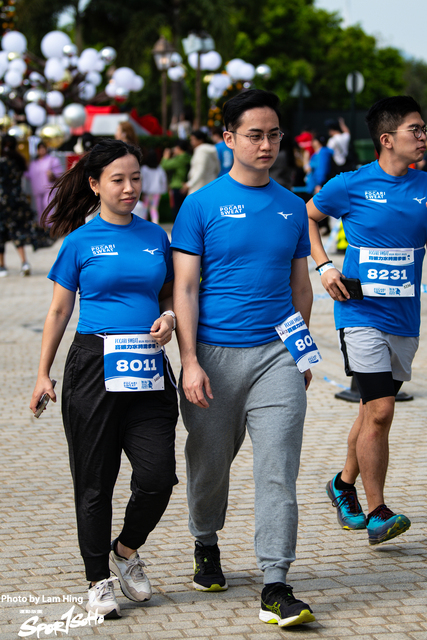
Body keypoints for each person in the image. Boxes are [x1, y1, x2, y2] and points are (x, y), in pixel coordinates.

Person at [171, 89, 316, 628]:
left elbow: (300, 287)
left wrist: (301, 353)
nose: (267, 144)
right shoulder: (200, 204)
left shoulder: (292, 206)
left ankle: (276, 583)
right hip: (212, 356)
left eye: (274, 134)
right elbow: (185, 288)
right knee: (209, 463)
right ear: (229, 138)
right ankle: (205, 541)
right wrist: (189, 360)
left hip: (277, 355)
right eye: (255, 134)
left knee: (278, 469)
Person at [30, 139, 178, 618]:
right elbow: (58, 311)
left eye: (135, 178)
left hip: (147, 366)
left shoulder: (156, 236)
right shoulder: (79, 242)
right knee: (94, 482)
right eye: (118, 180)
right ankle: (97, 579)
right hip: (93, 366)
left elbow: (168, 294)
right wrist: (42, 374)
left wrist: (170, 317)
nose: (130, 187)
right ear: (95, 184)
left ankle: (126, 550)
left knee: (158, 477)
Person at [307, 96, 427, 546]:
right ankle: (378, 512)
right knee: (381, 410)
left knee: (370, 411)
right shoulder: (351, 185)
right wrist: (324, 267)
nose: (423, 137)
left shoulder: (424, 187)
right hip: (359, 313)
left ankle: (342, 485)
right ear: (387, 139)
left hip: (404, 318)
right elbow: (307, 217)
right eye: (416, 129)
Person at [0, 134, 36, 276]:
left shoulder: (2, 161)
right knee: (17, 232)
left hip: (2, 202)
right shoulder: (19, 160)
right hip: (16, 201)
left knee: (1, 233)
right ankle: (24, 262)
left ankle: (2, 265)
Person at [25, 141, 63, 224]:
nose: (42, 150)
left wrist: (52, 173)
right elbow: (29, 175)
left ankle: (49, 226)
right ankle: (41, 226)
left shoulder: (52, 160)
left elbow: (59, 172)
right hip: (37, 189)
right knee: (39, 208)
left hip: (48, 188)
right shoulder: (34, 163)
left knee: (48, 206)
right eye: (40, 148)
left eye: (43, 148)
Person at [181, 130, 219, 195]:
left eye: (193, 139)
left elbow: (200, 170)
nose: (191, 142)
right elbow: (217, 168)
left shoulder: (201, 151)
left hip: (199, 187)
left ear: (200, 140)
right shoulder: (210, 150)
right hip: (210, 184)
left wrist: (189, 184)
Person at [160, 141, 191, 219]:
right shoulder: (188, 157)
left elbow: (164, 165)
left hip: (177, 186)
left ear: (178, 148)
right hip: (185, 185)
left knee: (176, 211)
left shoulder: (180, 158)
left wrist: (165, 156)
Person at [140, 149, 167, 224]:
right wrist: (163, 190)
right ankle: (155, 223)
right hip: (156, 192)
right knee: (154, 209)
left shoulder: (144, 169)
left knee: (145, 208)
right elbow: (163, 181)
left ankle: (143, 224)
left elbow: (141, 180)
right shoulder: (159, 169)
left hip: (146, 192)